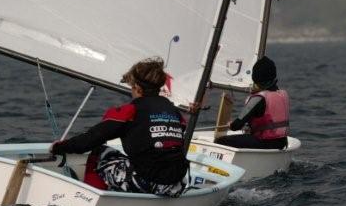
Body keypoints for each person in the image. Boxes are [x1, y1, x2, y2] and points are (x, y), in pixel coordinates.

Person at [50, 57, 188, 196]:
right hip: (176, 185)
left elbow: (90, 139)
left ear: (137, 88)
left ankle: (88, 199)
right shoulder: (174, 111)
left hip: (147, 182)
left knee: (99, 152)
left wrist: (59, 147)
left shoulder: (130, 111)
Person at [214, 56, 290, 150]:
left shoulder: (258, 98)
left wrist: (231, 124)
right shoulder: (283, 95)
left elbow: (236, 126)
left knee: (220, 141)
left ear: (255, 79)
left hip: (263, 142)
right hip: (281, 143)